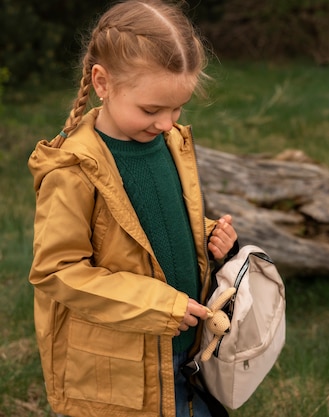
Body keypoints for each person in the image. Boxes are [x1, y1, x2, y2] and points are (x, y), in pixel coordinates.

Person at [27, 1, 238, 416]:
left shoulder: (168, 142)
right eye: (151, 110)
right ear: (102, 83)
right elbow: (57, 270)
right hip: (121, 371)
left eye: (178, 108)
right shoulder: (73, 169)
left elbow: (151, 224)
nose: (166, 122)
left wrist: (208, 232)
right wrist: (155, 305)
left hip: (186, 351)